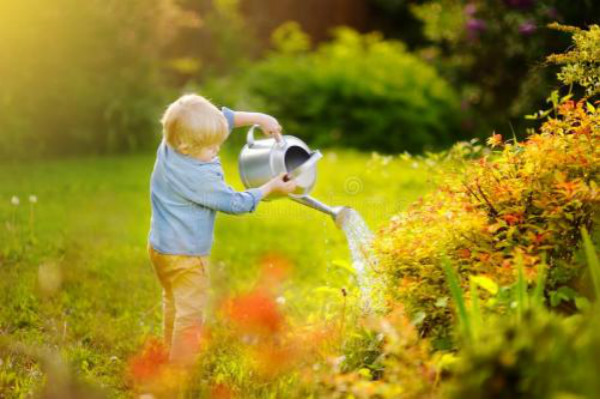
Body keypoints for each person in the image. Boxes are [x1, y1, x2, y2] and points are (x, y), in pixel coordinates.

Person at [148, 93, 297, 366]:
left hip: (160, 249)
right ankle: (179, 377)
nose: (216, 150)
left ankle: (169, 356)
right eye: (211, 147)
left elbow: (219, 121)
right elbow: (235, 203)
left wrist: (259, 118)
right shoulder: (199, 178)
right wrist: (271, 187)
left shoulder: (170, 143)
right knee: (190, 318)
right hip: (187, 258)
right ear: (185, 145)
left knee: (174, 302)